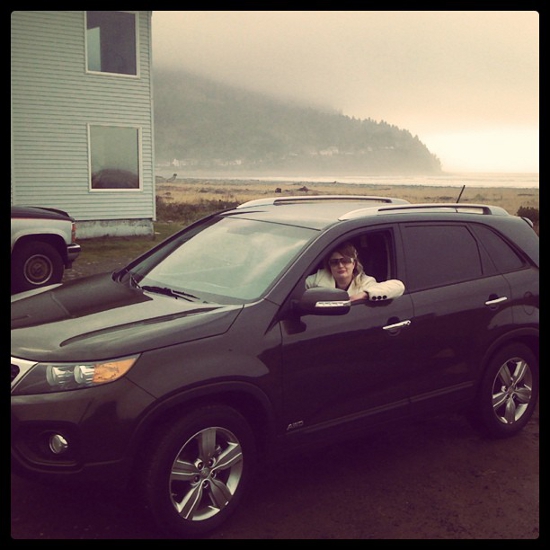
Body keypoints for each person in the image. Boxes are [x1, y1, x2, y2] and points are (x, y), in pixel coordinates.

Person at [305, 241, 405, 302]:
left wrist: (365, 294)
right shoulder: (319, 277)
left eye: (345, 261)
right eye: (334, 262)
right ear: (329, 265)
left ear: (354, 264)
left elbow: (398, 286)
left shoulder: (365, 282)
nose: (340, 265)